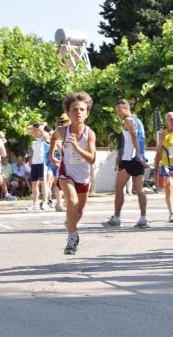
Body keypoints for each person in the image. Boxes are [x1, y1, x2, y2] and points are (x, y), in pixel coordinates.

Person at [50, 91, 96, 255]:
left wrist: (77, 147)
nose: (78, 112)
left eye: (82, 110)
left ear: (87, 113)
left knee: (79, 211)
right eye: (75, 110)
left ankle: (70, 224)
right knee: (72, 200)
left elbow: (91, 159)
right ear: (68, 113)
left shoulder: (90, 134)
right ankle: (72, 237)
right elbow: (53, 138)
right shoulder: (63, 131)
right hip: (66, 172)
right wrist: (51, 155)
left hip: (83, 176)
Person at [102, 99, 150, 229]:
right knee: (139, 190)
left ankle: (116, 218)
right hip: (136, 159)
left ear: (126, 108)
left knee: (119, 188)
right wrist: (140, 156)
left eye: (119, 110)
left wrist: (138, 155)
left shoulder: (128, 120)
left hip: (130, 159)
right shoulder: (137, 120)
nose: (118, 113)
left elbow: (134, 137)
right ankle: (143, 219)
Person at [27, 123, 50, 211]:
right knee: (34, 184)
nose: (35, 132)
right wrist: (34, 127)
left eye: (36, 130)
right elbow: (27, 128)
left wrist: (43, 125)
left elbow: (41, 131)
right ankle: (35, 203)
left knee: (43, 182)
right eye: (35, 130)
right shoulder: (36, 139)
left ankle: (45, 202)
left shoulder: (45, 136)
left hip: (42, 162)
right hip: (35, 163)